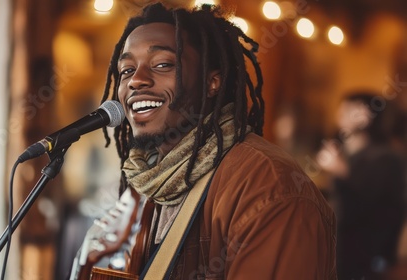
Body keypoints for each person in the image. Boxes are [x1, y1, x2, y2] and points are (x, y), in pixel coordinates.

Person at [95, 3, 336, 279]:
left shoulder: (269, 186)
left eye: (162, 64)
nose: (136, 80)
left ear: (213, 82)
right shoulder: (152, 180)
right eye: (126, 70)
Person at [317, 92, 407, 279]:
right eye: (346, 107)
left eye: (356, 108)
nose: (345, 113)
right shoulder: (346, 152)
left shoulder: (387, 157)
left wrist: (340, 170)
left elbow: (375, 203)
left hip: (367, 255)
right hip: (339, 248)